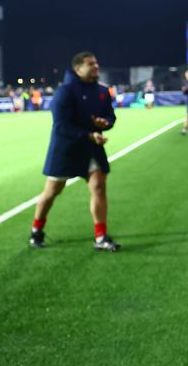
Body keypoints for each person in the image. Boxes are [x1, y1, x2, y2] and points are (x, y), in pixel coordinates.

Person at [29, 52, 121, 252]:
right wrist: (90, 134)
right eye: (90, 64)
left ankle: (101, 236)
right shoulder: (65, 91)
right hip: (66, 149)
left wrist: (105, 123)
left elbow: (110, 116)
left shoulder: (102, 91)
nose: (96, 66)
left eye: (96, 63)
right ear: (78, 69)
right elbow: (61, 126)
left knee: (98, 187)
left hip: (91, 148)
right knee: (52, 191)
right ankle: (37, 229)